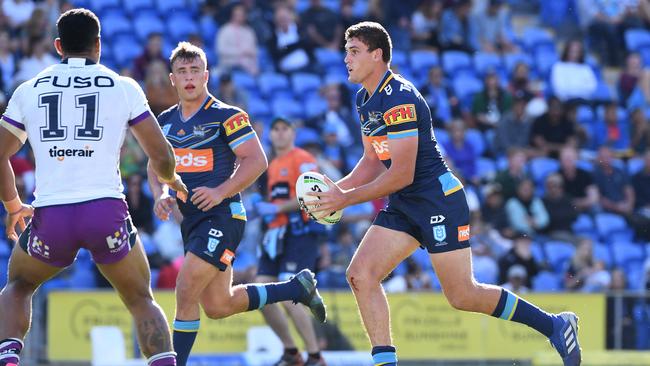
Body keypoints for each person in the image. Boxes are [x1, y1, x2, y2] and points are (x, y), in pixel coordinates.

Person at [306, 22, 582, 366]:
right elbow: (371, 161)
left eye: (353, 51)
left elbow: (401, 173)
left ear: (377, 55)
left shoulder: (400, 98)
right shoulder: (364, 98)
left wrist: (344, 200)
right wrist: (333, 192)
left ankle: (555, 325)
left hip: (438, 199)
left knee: (462, 294)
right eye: (346, 51)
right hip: (407, 202)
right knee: (360, 275)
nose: (345, 58)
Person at [0, 9, 186, 366]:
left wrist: (12, 205)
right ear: (98, 44)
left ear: (57, 46)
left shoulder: (29, 89)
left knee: (18, 285)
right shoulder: (122, 86)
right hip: (105, 211)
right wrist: (169, 178)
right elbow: (161, 153)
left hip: (51, 215)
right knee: (140, 299)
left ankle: (8, 358)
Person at [146, 42, 326, 366]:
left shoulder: (228, 116)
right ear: (172, 79)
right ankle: (296, 289)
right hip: (192, 221)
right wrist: (162, 193)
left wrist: (220, 191)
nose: (189, 77)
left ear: (206, 75)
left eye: (195, 70)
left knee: (185, 288)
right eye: (182, 72)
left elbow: (256, 161)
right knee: (218, 305)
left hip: (223, 216)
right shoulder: (166, 121)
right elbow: (155, 165)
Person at [254, 117, 326, 366]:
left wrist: (276, 209)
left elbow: (313, 194)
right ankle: (291, 351)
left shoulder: (303, 159)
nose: (280, 133)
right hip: (275, 235)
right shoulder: (272, 164)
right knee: (260, 291)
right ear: (270, 134)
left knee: (289, 294)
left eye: (285, 129)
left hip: (298, 234)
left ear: (293, 133)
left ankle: (315, 355)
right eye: (275, 129)